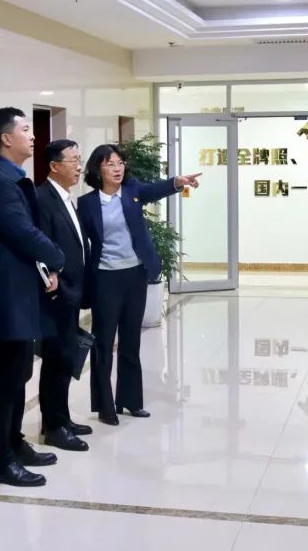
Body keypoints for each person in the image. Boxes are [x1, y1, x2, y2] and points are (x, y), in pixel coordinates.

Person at [0, 107, 65, 487]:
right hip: (4, 298)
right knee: (6, 380)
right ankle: (0, 461)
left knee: (19, 374)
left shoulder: (10, 178)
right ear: (6, 138)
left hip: (19, 294)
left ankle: (13, 442)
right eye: (26, 129)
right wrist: (57, 256)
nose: (33, 135)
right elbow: (23, 233)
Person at [78, 144, 200, 425]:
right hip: (105, 278)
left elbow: (155, 189)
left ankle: (131, 401)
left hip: (134, 275)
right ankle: (105, 406)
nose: (117, 168)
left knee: (131, 341)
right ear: (98, 169)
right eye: (110, 164)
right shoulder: (87, 203)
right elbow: (79, 241)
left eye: (120, 163)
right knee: (103, 343)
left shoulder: (132, 191)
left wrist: (177, 182)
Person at [35, 139, 92, 451]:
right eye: (73, 161)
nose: (79, 167)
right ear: (54, 166)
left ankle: (62, 418)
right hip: (56, 293)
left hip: (72, 291)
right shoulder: (42, 198)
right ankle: (54, 427)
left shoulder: (67, 197)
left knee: (64, 358)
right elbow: (41, 246)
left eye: (80, 160)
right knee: (56, 360)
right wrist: (54, 280)